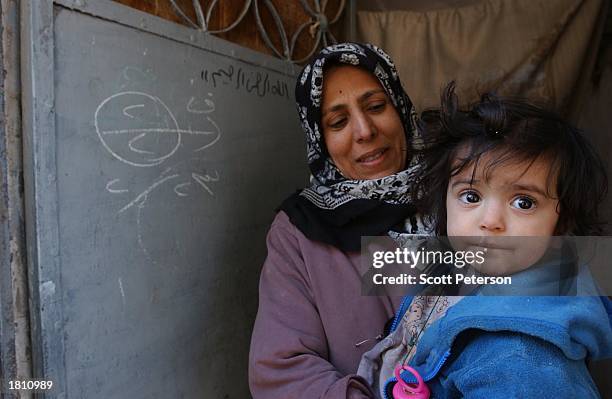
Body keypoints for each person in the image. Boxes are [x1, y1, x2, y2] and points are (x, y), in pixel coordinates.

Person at [358, 82, 612, 398]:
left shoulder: (521, 361)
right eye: (471, 195)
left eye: (524, 202)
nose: (490, 221)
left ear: (561, 223)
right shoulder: (451, 277)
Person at [248, 42, 427, 398]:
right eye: (338, 121)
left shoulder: (463, 192)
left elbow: (544, 285)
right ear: (320, 139)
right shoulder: (299, 231)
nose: (364, 131)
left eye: (376, 106)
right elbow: (281, 368)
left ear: (400, 107)